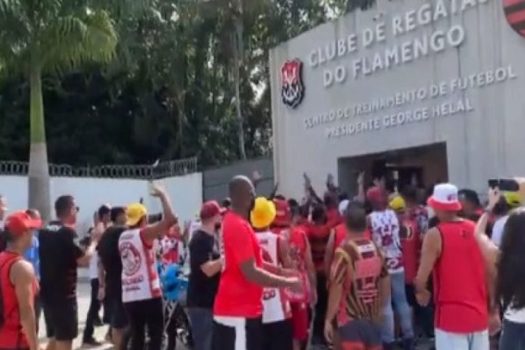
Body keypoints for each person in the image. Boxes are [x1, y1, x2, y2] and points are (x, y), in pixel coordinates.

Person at [212, 175, 300, 350]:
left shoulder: (236, 223)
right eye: (252, 193)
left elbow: (254, 262)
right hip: (237, 313)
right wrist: (288, 283)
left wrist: (282, 272)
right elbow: (251, 272)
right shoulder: (238, 226)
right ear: (244, 197)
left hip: (242, 311)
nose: (254, 197)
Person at [415, 183, 497, 350]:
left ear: (436, 206)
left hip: (450, 319)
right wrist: (493, 310)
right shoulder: (475, 229)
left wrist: (421, 291)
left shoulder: (434, 235)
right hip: (479, 315)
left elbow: (421, 277)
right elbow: (491, 272)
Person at [324, 201, 390, 350]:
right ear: (366, 225)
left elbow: (336, 286)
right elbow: (385, 278)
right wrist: (381, 307)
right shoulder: (376, 249)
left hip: (350, 319)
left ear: (345, 223)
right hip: (373, 318)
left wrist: (328, 319)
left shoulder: (344, 253)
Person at [119, 184, 177, 350]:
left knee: (137, 336)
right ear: (143, 219)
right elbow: (171, 219)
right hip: (148, 294)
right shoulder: (143, 234)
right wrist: (164, 195)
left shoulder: (123, 236)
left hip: (129, 294)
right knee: (156, 336)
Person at [40, 195, 101, 350]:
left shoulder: (44, 231)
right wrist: (94, 241)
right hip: (64, 296)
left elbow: (63, 254)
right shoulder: (68, 233)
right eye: (76, 209)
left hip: (47, 295)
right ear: (71, 209)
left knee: (54, 338)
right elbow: (84, 260)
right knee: (65, 341)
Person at [367, 186, 414, 349]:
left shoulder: (369, 219)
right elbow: (402, 232)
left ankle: (389, 340)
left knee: (385, 304)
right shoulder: (394, 214)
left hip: (381, 264)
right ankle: (408, 336)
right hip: (397, 260)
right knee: (402, 300)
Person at [251, 197, 293, 350]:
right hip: (278, 309)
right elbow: (289, 270)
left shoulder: (247, 240)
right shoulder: (278, 240)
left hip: (254, 309)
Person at [0, 211, 41, 350]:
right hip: (15, 341)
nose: (34, 235)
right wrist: (35, 346)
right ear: (24, 234)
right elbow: (26, 313)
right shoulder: (21, 267)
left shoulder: (2, 259)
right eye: (32, 230)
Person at [187, 201, 223, 350]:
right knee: (204, 345)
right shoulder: (199, 239)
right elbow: (207, 269)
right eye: (219, 214)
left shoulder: (212, 237)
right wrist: (225, 259)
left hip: (211, 302)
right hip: (201, 304)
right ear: (214, 216)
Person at [285, 201, 316, 350]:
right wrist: (313, 289)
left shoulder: (274, 235)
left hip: (281, 291)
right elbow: (309, 265)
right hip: (299, 290)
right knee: (298, 334)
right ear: (294, 216)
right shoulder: (300, 235)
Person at [97, 206, 128, 350]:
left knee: (117, 323)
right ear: (119, 216)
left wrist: (102, 284)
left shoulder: (106, 234)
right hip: (124, 284)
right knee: (125, 323)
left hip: (111, 283)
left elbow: (100, 262)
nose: (127, 216)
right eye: (125, 214)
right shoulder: (123, 232)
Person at [83, 204, 112, 346]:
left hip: (100, 273)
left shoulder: (103, 228)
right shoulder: (100, 230)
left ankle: (111, 334)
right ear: (105, 215)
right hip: (98, 274)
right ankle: (87, 337)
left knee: (107, 304)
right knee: (95, 306)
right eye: (110, 213)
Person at [23, 209, 42, 332]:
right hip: (26, 283)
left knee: (36, 314)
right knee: (28, 315)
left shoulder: (35, 239)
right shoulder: (23, 239)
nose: (38, 222)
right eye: (36, 219)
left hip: (37, 282)